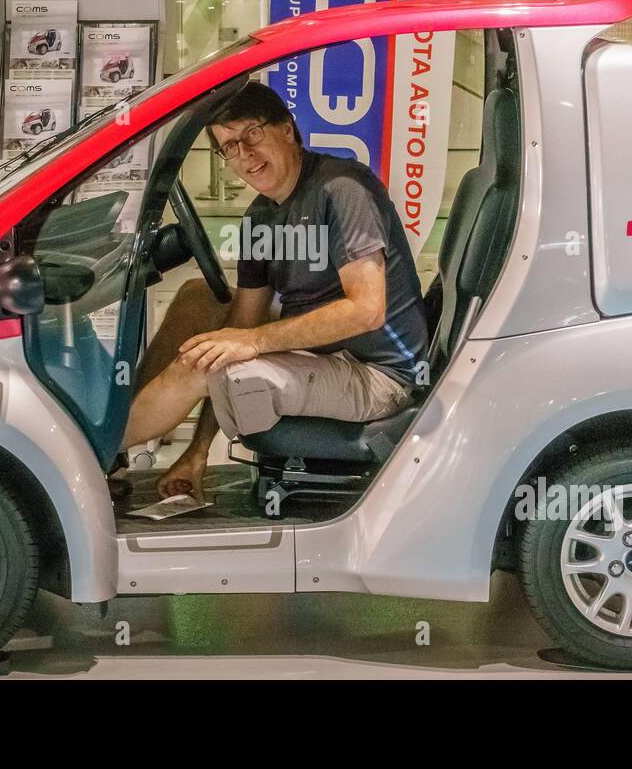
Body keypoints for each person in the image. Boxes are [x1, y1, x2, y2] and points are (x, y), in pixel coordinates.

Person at [121, 82, 429, 499]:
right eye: (229, 146)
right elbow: (242, 324)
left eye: (252, 133)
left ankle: (93, 454)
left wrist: (254, 342)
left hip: (376, 375)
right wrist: (197, 454)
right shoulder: (260, 217)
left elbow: (366, 310)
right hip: (324, 358)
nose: (244, 154)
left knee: (213, 361)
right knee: (198, 298)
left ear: (287, 129)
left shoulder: (342, 188)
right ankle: (123, 439)